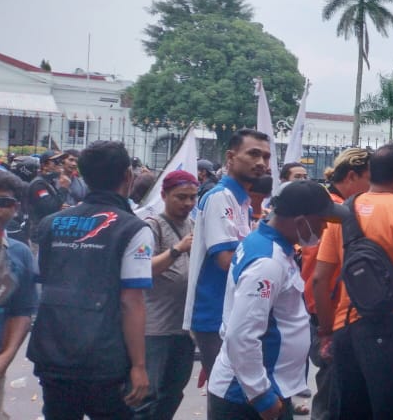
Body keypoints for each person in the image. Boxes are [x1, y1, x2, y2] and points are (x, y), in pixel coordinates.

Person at [28, 141, 153, 418]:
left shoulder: (52, 223)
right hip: (104, 360)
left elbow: (45, 280)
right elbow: (131, 301)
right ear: (127, 176)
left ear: (83, 176)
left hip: (53, 352)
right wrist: (139, 365)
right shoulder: (133, 229)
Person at [207, 180, 348, 419]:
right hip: (246, 396)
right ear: (300, 221)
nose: (325, 228)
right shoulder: (268, 262)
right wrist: (261, 395)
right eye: (321, 221)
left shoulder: (272, 246)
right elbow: (241, 335)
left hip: (264, 387)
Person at [331, 144, 393, 419]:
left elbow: (320, 277)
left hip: (345, 327)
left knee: (351, 412)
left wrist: (326, 331)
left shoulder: (341, 212)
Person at [184, 129, 272, 384]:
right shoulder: (220, 197)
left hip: (232, 311)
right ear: (230, 157)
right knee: (228, 394)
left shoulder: (241, 200)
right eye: (253, 154)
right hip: (214, 313)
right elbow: (226, 260)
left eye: (265, 157)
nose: (261, 163)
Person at [307, 147, 371, 419]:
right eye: (371, 177)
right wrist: (326, 327)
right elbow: (318, 276)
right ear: (353, 176)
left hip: (326, 312)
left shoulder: (336, 207)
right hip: (328, 314)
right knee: (331, 397)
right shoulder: (335, 212)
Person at [134, 171, 198, 420]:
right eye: (181, 197)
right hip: (155, 327)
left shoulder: (194, 225)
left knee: (174, 390)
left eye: (192, 197)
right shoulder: (152, 226)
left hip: (184, 326)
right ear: (164, 195)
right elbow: (143, 267)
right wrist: (177, 250)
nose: (188, 203)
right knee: (146, 394)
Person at [0, 169, 38, 419]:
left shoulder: (19, 254)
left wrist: (6, 356)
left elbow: (22, 311)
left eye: (3, 202)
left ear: (15, 209)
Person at [26, 150, 70, 247]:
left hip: (48, 232)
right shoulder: (39, 184)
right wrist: (63, 188)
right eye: (56, 162)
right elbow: (50, 208)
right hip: (39, 235)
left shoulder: (49, 182)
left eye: (62, 162)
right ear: (45, 165)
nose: (60, 165)